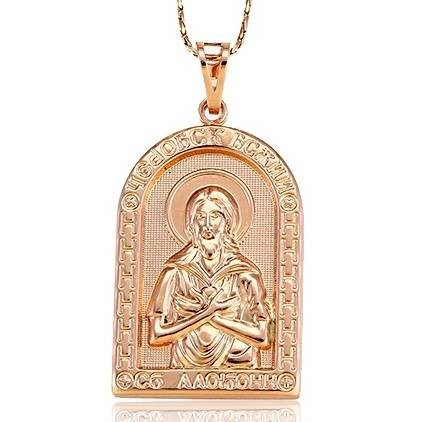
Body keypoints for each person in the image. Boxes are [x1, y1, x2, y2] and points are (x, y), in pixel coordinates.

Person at [147, 186, 272, 368]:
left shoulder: (245, 274)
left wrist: (212, 316)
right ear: (191, 225)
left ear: (227, 223)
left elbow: (263, 337)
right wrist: (207, 313)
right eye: (200, 217)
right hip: (185, 364)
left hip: (238, 364)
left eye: (215, 216)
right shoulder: (175, 272)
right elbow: (155, 336)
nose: (207, 225)